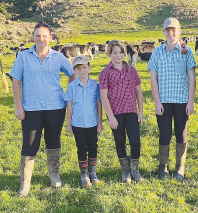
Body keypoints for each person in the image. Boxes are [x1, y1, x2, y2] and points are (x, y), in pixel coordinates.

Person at [10, 21, 76, 196]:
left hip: (56, 107)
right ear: (33, 37)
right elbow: (16, 80)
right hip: (30, 109)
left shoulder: (59, 57)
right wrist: (18, 107)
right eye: (37, 36)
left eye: (44, 36)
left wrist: (67, 95)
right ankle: (25, 183)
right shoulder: (23, 57)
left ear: (50, 38)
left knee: (53, 142)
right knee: (30, 144)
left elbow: (72, 74)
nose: (41, 39)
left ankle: (54, 175)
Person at [147, 17, 196, 181]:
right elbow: (153, 78)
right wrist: (157, 102)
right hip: (164, 101)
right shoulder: (157, 52)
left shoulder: (186, 51)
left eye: (174, 30)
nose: (171, 33)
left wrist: (190, 101)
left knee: (181, 133)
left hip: (182, 101)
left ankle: (180, 167)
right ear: (163, 32)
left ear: (179, 31)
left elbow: (191, 78)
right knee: (165, 133)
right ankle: (163, 167)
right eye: (167, 30)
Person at [99, 40, 144, 183]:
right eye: (114, 52)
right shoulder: (105, 72)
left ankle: (135, 169)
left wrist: (141, 112)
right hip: (116, 113)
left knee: (135, 141)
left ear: (124, 53)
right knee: (120, 141)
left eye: (120, 52)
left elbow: (139, 91)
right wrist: (110, 117)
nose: (118, 55)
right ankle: (125, 169)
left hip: (131, 111)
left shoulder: (132, 70)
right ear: (109, 54)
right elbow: (103, 96)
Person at [64, 55, 103, 187]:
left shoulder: (95, 85)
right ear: (74, 70)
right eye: (78, 69)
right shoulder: (71, 87)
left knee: (93, 147)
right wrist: (69, 124)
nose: (82, 71)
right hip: (78, 124)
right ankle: (84, 174)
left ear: (89, 68)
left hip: (92, 122)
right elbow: (69, 106)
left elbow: (98, 104)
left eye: (84, 68)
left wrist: (100, 122)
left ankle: (93, 172)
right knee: (82, 148)